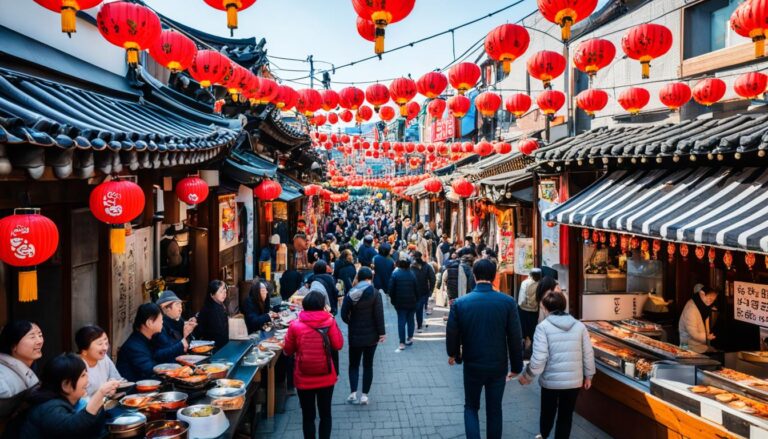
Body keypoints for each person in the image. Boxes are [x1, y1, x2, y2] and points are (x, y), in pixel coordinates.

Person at [446, 259, 524, 439]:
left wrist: (454, 354)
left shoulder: (460, 303)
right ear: (494, 276)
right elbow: (514, 336)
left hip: (473, 364)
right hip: (498, 365)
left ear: (474, 275)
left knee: (471, 406)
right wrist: (516, 366)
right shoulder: (507, 302)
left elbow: (452, 332)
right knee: (495, 409)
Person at [519, 290, 595, 439]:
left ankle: (544, 435)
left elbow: (539, 359)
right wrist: (589, 376)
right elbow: (588, 353)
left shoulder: (543, 327)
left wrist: (527, 375)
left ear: (545, 308)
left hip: (551, 382)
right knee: (566, 416)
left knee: (547, 412)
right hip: (574, 381)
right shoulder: (579, 326)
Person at [283, 291, 344, 439]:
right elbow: (338, 344)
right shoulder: (329, 321)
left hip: (304, 378)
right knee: (325, 415)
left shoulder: (295, 325)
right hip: (326, 376)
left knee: (308, 416)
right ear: (322, 305)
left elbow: (287, 350)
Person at [20, 353, 121, 439]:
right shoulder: (49, 408)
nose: (88, 379)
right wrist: (100, 393)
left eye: (86, 373)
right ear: (66, 385)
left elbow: (93, 432)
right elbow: (74, 428)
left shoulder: (75, 401)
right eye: (83, 375)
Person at [340, 267, 385, 405]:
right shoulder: (375, 294)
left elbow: (343, 314)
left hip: (355, 335)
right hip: (372, 336)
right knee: (368, 365)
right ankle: (364, 395)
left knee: (353, 364)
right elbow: (379, 315)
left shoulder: (350, 293)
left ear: (358, 278)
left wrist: (352, 322)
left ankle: (353, 393)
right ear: (370, 279)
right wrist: (382, 333)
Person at [0, 321, 43, 424]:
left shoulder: (30, 365)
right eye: (32, 337)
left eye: (40, 335)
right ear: (14, 345)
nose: (39, 341)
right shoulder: (3, 378)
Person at [116, 303, 164, 382]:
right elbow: (151, 371)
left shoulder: (149, 338)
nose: (162, 322)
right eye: (161, 320)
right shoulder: (134, 347)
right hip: (134, 391)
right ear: (149, 323)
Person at [75, 325, 122, 397]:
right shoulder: (76, 366)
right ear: (84, 351)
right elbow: (80, 400)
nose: (105, 348)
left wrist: (113, 386)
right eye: (100, 344)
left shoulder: (104, 358)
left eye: (106, 343)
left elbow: (117, 379)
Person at [152, 290, 196, 363]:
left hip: (184, 359)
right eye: (177, 305)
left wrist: (189, 332)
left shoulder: (179, 320)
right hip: (170, 365)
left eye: (181, 305)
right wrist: (184, 339)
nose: (180, 309)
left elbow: (189, 343)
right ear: (166, 309)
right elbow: (160, 355)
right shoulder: (160, 326)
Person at [389, 253, 419, 352]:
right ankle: (410, 338)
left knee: (401, 322)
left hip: (400, 302)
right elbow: (416, 289)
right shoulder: (412, 274)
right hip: (412, 302)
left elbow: (391, 290)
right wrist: (416, 300)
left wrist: (393, 301)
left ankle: (401, 343)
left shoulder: (395, 274)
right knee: (411, 320)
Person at [679, 285, 719, 353]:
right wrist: (707, 337)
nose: (711, 301)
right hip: (688, 346)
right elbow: (693, 333)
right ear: (701, 293)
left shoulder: (704, 307)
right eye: (709, 297)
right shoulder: (691, 309)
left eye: (713, 300)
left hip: (697, 344)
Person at [195, 280, 230, 350]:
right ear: (212, 294)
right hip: (212, 347)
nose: (224, 294)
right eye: (220, 292)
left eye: (225, 292)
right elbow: (218, 333)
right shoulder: (211, 309)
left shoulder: (219, 305)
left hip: (220, 344)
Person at [411, 251, 436, 333]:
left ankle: (412, 327)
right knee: (419, 309)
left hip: (412, 292)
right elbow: (433, 278)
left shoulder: (410, 266)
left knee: (412, 310)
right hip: (423, 291)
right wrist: (431, 290)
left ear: (413, 257)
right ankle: (419, 325)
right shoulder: (427, 266)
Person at [518, 268, 542, 350]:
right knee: (533, 328)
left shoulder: (525, 283)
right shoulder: (540, 284)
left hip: (523, 310)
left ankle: (524, 347)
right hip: (534, 310)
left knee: (523, 328)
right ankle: (531, 347)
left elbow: (521, 299)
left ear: (531, 274)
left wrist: (520, 305)